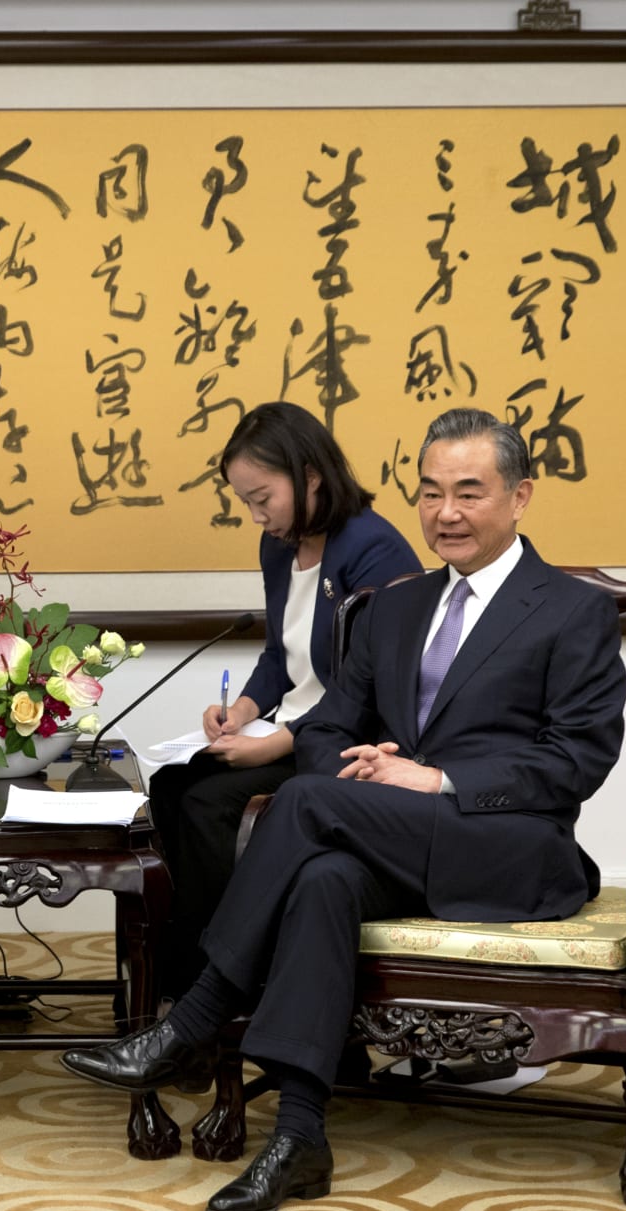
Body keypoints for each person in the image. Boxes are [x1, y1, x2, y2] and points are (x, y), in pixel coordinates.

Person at [64, 407, 625, 1211]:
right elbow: (327, 727)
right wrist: (364, 773)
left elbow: (580, 758)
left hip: (511, 849)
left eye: (470, 493)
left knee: (306, 802)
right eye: (431, 493)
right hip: (398, 844)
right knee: (325, 875)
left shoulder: (572, 610)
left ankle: (196, 1017)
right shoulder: (397, 607)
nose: (446, 513)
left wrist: (434, 781)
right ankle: (299, 1139)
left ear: (521, 496)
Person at [145, 402, 420, 998]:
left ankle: (230, 983)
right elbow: (280, 656)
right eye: (245, 501)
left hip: (342, 742)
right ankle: (180, 980)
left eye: (262, 497)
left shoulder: (376, 551)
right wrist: (239, 714)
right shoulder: (280, 546)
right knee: (169, 788)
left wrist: (273, 742)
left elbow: (365, 691)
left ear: (310, 477)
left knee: (207, 804)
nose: (255, 515)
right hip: (285, 728)